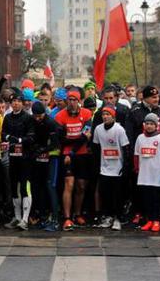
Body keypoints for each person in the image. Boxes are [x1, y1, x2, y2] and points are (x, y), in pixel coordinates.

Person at [55, 90, 93, 231]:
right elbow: (61, 139)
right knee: (68, 184)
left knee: (81, 186)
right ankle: (67, 218)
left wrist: (75, 142)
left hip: (82, 154)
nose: (71, 102)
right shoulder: (60, 116)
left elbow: (88, 134)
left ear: (79, 101)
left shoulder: (87, 114)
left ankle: (78, 214)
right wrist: (80, 139)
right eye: (69, 99)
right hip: (66, 154)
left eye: (74, 100)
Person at [2, 92, 35, 230]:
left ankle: (25, 219)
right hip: (13, 157)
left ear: (22, 103)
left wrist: (20, 140)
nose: (15, 103)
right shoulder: (8, 117)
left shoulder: (28, 118)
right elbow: (3, 134)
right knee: (14, 188)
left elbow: (31, 137)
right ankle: (16, 216)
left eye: (18, 101)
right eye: (13, 101)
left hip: (25, 158)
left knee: (24, 188)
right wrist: (10, 138)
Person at [92, 107, 129, 230]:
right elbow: (96, 147)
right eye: (103, 114)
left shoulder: (119, 130)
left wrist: (125, 166)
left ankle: (118, 218)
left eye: (108, 114)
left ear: (113, 116)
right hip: (104, 167)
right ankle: (108, 217)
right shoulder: (98, 129)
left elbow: (125, 148)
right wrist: (97, 165)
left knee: (117, 195)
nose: (105, 117)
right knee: (105, 194)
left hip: (117, 168)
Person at [134, 113, 160, 232]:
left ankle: (156, 221)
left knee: (156, 199)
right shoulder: (140, 138)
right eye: (147, 124)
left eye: (151, 124)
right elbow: (137, 155)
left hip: (156, 174)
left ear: (156, 125)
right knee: (146, 199)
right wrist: (136, 168)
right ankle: (149, 220)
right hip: (144, 175)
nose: (149, 126)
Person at [30, 101, 61, 231]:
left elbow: (55, 143)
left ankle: (55, 219)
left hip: (52, 157)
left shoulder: (51, 122)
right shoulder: (34, 121)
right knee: (39, 187)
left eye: (40, 116)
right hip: (40, 158)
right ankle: (42, 216)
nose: (38, 118)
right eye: (36, 116)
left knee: (50, 186)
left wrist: (42, 150)